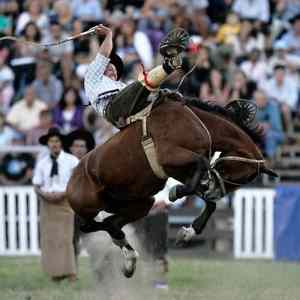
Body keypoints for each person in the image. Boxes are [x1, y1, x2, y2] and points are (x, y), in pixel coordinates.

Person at [84, 24, 189, 128]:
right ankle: (170, 63)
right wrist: (109, 34)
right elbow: (104, 54)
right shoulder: (93, 76)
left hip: (128, 108)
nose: (113, 69)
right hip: (113, 109)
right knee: (141, 83)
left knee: (160, 97)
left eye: (114, 69)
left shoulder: (119, 85)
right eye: (108, 67)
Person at [32, 127, 79, 282]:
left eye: (57, 141)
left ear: (61, 143)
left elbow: (76, 183)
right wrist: (44, 194)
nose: (54, 144)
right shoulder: (42, 163)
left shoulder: (72, 161)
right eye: (51, 141)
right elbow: (36, 185)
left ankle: (71, 273)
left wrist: (64, 194)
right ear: (47, 144)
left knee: (66, 239)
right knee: (50, 239)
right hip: (47, 203)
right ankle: (55, 274)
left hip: (65, 202)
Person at [65, 128, 95, 267]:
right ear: (70, 148)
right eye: (76, 146)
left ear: (86, 148)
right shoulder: (63, 164)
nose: (78, 149)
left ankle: (98, 267)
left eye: (81, 146)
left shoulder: (92, 164)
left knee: (95, 241)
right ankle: (72, 269)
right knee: (71, 240)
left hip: (89, 208)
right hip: (68, 207)